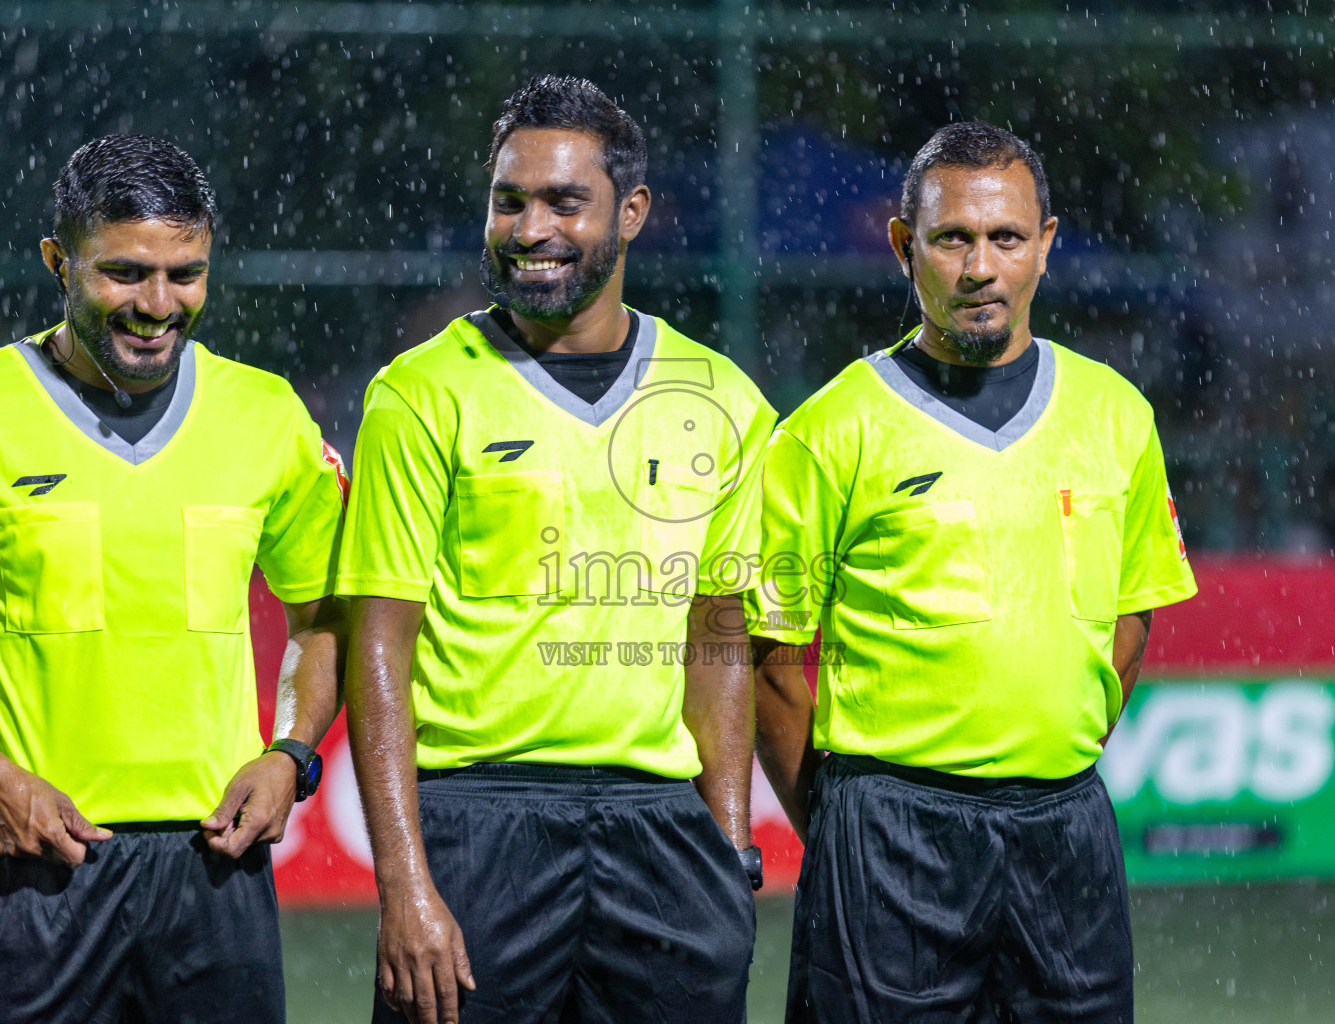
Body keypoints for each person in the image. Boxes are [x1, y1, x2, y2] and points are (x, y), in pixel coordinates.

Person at [338, 75, 776, 1024]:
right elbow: (380, 643)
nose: (530, 227)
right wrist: (405, 884)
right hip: (476, 825)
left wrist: (730, 850)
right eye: (510, 200)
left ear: (633, 213)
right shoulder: (420, 394)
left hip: (663, 832)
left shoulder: (725, 399)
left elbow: (720, 635)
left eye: (563, 202)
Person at [747, 121, 1198, 1023]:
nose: (980, 265)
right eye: (952, 239)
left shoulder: (1117, 416)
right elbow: (767, 661)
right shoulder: (829, 430)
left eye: (1006, 237)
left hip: (1065, 832)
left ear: (1046, 246)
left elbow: (1133, 615)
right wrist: (845, 830)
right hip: (889, 836)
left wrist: (1043, 754)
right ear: (904, 247)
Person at [0, 134, 346, 1023]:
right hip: (26, 877)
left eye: (185, 274)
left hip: (215, 878)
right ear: (58, 262)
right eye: (125, 273)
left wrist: (292, 753)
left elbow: (322, 616)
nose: (159, 305)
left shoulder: (266, 416)